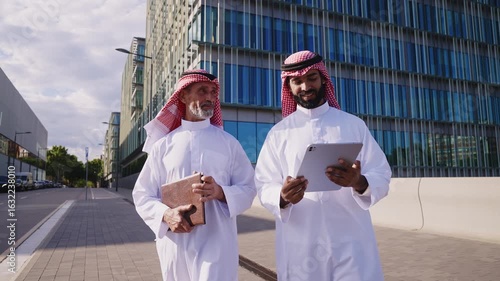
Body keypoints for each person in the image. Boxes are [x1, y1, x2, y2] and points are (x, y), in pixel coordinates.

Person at [255, 50, 392, 281]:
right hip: (302, 243)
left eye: (312, 78)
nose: (305, 86)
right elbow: (263, 183)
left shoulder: (353, 125)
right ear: (289, 87)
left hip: (352, 241)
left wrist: (358, 182)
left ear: (323, 80)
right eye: (297, 81)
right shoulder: (278, 134)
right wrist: (283, 196)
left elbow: (381, 172)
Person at [133, 69, 256, 281]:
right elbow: (142, 195)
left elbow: (249, 188)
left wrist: (220, 192)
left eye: (212, 93)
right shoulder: (163, 146)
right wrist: (166, 215)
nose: (209, 97)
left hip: (217, 243)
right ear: (183, 95)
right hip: (175, 244)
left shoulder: (229, 143)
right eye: (201, 91)